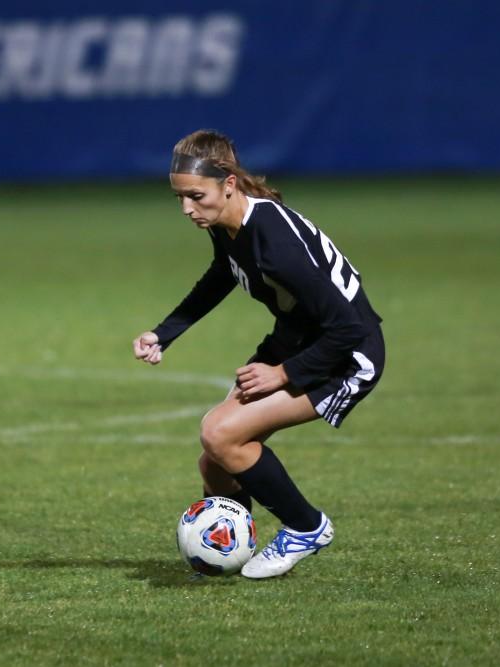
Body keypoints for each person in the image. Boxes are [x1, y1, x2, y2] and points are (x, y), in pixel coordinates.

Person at [133, 130, 385, 579]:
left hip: (345, 356)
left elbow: (349, 327)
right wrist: (164, 333)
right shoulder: (232, 223)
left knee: (220, 434)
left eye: (195, 196)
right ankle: (229, 548)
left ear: (228, 184)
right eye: (179, 198)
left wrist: (283, 374)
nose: (187, 209)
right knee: (214, 461)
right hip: (297, 342)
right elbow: (221, 274)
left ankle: (307, 527)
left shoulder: (276, 243)